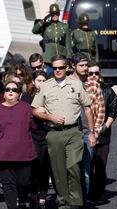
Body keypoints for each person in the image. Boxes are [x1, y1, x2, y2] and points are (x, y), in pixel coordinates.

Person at [31, 55, 96, 209]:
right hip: (54, 134)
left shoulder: (77, 84)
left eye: (61, 67)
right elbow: (34, 110)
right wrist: (49, 116)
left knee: (73, 166)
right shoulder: (46, 86)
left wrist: (92, 132)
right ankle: (64, 203)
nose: (58, 70)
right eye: (55, 68)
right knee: (58, 171)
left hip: (73, 132)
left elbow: (87, 108)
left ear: (67, 68)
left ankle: (76, 203)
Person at [0, 81, 37, 209]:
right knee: (8, 185)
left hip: (25, 154)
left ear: (19, 94)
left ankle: (23, 201)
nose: (11, 92)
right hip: (4, 155)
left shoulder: (26, 108)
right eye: (8, 89)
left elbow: (35, 127)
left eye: (14, 90)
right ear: (4, 93)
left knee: (23, 183)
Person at [69, 53, 105, 200]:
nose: (85, 68)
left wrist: (95, 132)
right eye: (82, 65)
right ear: (73, 66)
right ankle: (72, 199)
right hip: (70, 132)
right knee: (71, 169)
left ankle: (83, 200)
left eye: (86, 66)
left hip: (87, 133)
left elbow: (100, 111)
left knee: (85, 170)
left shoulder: (94, 85)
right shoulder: (66, 82)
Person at [87, 61, 117, 202]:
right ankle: (86, 194)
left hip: (103, 135)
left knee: (100, 167)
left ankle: (98, 195)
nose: (94, 75)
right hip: (87, 133)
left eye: (96, 72)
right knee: (86, 166)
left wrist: (105, 126)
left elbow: (113, 109)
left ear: (100, 73)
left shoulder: (107, 90)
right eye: (90, 73)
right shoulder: (83, 89)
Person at [29, 70, 50, 209]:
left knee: (45, 167)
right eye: (39, 80)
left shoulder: (50, 94)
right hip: (32, 135)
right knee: (34, 167)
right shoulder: (28, 97)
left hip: (48, 134)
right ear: (33, 82)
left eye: (44, 80)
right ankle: (34, 194)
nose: (41, 83)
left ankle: (43, 196)